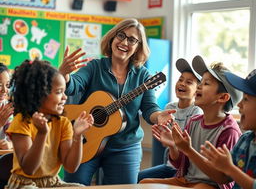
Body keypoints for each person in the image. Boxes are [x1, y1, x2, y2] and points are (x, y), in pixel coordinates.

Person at [59, 18, 175, 185]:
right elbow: (73, 86)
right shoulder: (95, 67)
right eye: (121, 35)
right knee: (73, 187)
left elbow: (150, 108)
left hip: (125, 146)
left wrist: (159, 117)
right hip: (85, 140)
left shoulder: (143, 76)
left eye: (132, 40)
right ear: (112, 38)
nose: (124, 42)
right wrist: (64, 73)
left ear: (138, 47)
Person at [140, 55, 242, 189]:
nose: (199, 86)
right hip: (186, 181)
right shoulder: (194, 122)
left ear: (222, 97)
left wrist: (188, 149)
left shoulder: (229, 130)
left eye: (206, 83)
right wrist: (173, 146)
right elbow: (179, 164)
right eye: (201, 82)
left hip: (211, 185)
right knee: (143, 184)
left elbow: (221, 178)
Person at [5, 59, 94, 188]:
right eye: (59, 92)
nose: (65, 97)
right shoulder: (22, 121)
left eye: (64, 92)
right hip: (24, 183)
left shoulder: (63, 123)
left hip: (52, 182)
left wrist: (78, 136)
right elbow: (29, 169)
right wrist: (42, 134)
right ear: (39, 94)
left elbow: (70, 167)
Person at [137, 58, 203, 182]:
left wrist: (172, 141)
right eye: (180, 79)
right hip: (170, 165)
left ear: (197, 91)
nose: (182, 83)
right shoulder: (169, 107)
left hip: (186, 169)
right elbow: (165, 140)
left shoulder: (196, 111)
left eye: (189, 82)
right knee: (138, 178)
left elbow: (189, 145)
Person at [200, 68, 256, 189]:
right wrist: (221, 165)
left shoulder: (231, 131)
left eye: (246, 99)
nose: (239, 104)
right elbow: (223, 178)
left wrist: (229, 169)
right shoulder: (245, 140)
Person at [0, 63, 13, 150]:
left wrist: (10, 144)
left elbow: (14, 136)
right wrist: (0, 123)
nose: (4, 90)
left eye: (7, 85)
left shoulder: (5, 106)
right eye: (0, 85)